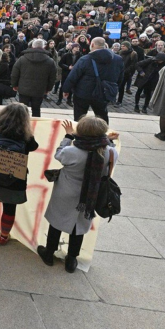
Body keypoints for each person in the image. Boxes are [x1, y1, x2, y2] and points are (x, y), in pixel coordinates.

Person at [38, 117, 118, 273]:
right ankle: (72, 259)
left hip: (66, 191)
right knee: (78, 226)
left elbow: (59, 154)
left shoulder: (72, 151)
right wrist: (109, 141)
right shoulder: (109, 151)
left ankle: (49, 253)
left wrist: (68, 136)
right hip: (90, 195)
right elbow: (109, 159)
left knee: (57, 222)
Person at [0, 103, 39, 245]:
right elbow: (34, 147)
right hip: (15, 179)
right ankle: (4, 236)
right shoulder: (26, 135)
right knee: (10, 207)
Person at [62, 37, 124, 123]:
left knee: (79, 117)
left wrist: (66, 89)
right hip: (103, 92)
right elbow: (120, 78)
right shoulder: (118, 59)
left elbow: (73, 76)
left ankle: (80, 134)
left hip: (83, 93)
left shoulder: (85, 59)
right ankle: (103, 134)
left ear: (92, 45)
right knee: (102, 117)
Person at [10, 39, 56, 117]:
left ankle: (21, 125)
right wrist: (49, 89)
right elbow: (52, 77)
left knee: (22, 110)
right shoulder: (50, 61)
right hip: (40, 89)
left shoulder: (22, 59)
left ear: (32, 46)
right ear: (44, 47)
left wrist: (14, 85)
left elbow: (14, 74)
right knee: (36, 109)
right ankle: (35, 126)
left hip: (24, 88)